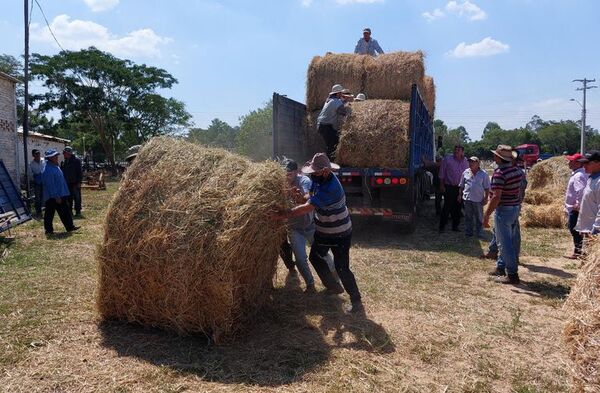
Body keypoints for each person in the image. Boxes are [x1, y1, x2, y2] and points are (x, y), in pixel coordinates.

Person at [274, 153, 363, 313]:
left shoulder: (331, 188)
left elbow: (308, 208)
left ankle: (356, 300)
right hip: (323, 230)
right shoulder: (318, 180)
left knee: (341, 267)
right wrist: (301, 197)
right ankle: (332, 286)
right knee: (315, 257)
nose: (312, 174)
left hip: (340, 233)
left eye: (315, 171)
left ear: (326, 171)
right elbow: (309, 200)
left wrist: (282, 214)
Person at [483, 145, 524, 285]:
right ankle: (501, 267)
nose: (493, 157)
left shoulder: (499, 173)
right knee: (509, 240)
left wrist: (487, 214)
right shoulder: (517, 171)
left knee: (504, 244)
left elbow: (496, 197)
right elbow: (519, 190)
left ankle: (512, 274)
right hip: (514, 208)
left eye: (495, 155)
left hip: (504, 210)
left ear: (498, 158)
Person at [41, 149, 79, 235]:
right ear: (50, 158)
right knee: (49, 213)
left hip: (61, 193)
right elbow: (50, 185)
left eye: (56, 155)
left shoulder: (55, 166)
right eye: (55, 156)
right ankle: (49, 230)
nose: (57, 157)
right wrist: (55, 196)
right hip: (53, 196)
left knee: (65, 211)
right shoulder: (47, 169)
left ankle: (70, 227)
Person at [439, 145, 469, 232]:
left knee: (458, 207)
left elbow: (468, 174)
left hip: (460, 188)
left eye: (459, 150)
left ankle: (455, 226)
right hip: (449, 187)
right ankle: (442, 227)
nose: (456, 151)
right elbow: (442, 173)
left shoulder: (465, 161)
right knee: (447, 207)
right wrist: (441, 185)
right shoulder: (447, 159)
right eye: (455, 149)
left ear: (462, 152)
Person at [458, 156, 490, 238]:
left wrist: (486, 198)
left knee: (479, 217)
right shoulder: (465, 172)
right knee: (468, 217)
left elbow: (487, 188)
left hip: (478, 199)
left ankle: (479, 233)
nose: (471, 163)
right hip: (467, 199)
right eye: (470, 162)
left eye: (473, 162)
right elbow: (461, 185)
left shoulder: (483, 174)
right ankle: (469, 232)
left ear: (478, 163)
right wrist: (459, 195)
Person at [564, 153, 588, 259]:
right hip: (577, 207)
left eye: (571, 161)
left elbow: (581, 191)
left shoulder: (578, 176)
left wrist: (578, 205)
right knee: (576, 230)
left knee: (574, 229)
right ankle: (579, 251)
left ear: (578, 163)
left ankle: (578, 252)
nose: (569, 163)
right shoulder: (580, 174)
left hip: (576, 208)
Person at [317, 84, 349, 160]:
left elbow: (336, 104)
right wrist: (347, 104)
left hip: (321, 125)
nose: (342, 94)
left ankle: (329, 160)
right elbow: (344, 112)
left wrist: (343, 101)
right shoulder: (336, 102)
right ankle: (329, 162)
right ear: (338, 93)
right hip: (326, 126)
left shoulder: (329, 100)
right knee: (333, 144)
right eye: (341, 93)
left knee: (333, 142)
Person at [575, 151, 600, 238]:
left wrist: (596, 228)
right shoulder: (591, 178)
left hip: (594, 231)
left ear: (598, 163)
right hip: (587, 229)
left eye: (587, 163)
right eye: (583, 163)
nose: (584, 166)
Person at [61, 146, 83, 217]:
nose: (63, 154)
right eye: (63, 153)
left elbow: (80, 172)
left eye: (64, 153)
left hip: (75, 182)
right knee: (68, 198)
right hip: (67, 183)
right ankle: (69, 211)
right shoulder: (64, 162)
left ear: (68, 153)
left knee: (77, 198)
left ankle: (78, 211)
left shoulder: (76, 161)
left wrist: (79, 182)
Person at [29, 149, 46, 217]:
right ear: (33, 155)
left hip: (45, 181)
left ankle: (47, 210)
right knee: (38, 198)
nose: (38, 155)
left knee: (45, 196)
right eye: (36, 154)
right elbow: (30, 174)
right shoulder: (31, 164)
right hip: (37, 183)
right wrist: (36, 177)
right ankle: (39, 212)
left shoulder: (44, 160)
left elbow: (47, 168)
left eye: (39, 153)